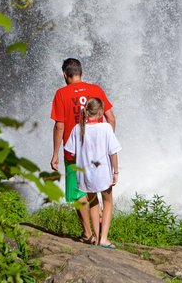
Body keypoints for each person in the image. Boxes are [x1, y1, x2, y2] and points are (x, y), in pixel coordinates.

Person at [49, 58, 116, 243]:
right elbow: (111, 118)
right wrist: (107, 143)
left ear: (64, 74)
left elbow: (60, 126)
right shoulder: (96, 90)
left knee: (78, 192)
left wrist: (55, 153)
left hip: (74, 153)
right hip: (98, 154)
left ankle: (88, 234)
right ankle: (101, 234)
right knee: (100, 190)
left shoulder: (61, 93)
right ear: (81, 73)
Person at [63, 97, 121, 248]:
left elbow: (71, 152)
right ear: (101, 112)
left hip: (85, 175)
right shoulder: (106, 128)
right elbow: (113, 152)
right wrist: (116, 171)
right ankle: (104, 238)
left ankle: (95, 236)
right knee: (107, 202)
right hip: (102, 173)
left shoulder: (78, 128)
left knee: (93, 202)